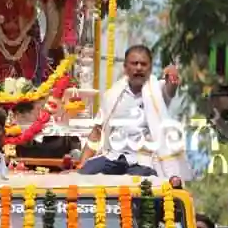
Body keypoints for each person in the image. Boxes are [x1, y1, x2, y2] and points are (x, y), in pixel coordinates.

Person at [79, 45, 190, 179]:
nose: (138, 68)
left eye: (143, 64)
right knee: (86, 174)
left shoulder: (157, 90)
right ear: (125, 67)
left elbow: (170, 89)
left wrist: (172, 78)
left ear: (150, 68)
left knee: (141, 183)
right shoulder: (112, 95)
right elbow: (97, 132)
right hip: (113, 157)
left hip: (142, 162)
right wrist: (82, 165)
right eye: (134, 63)